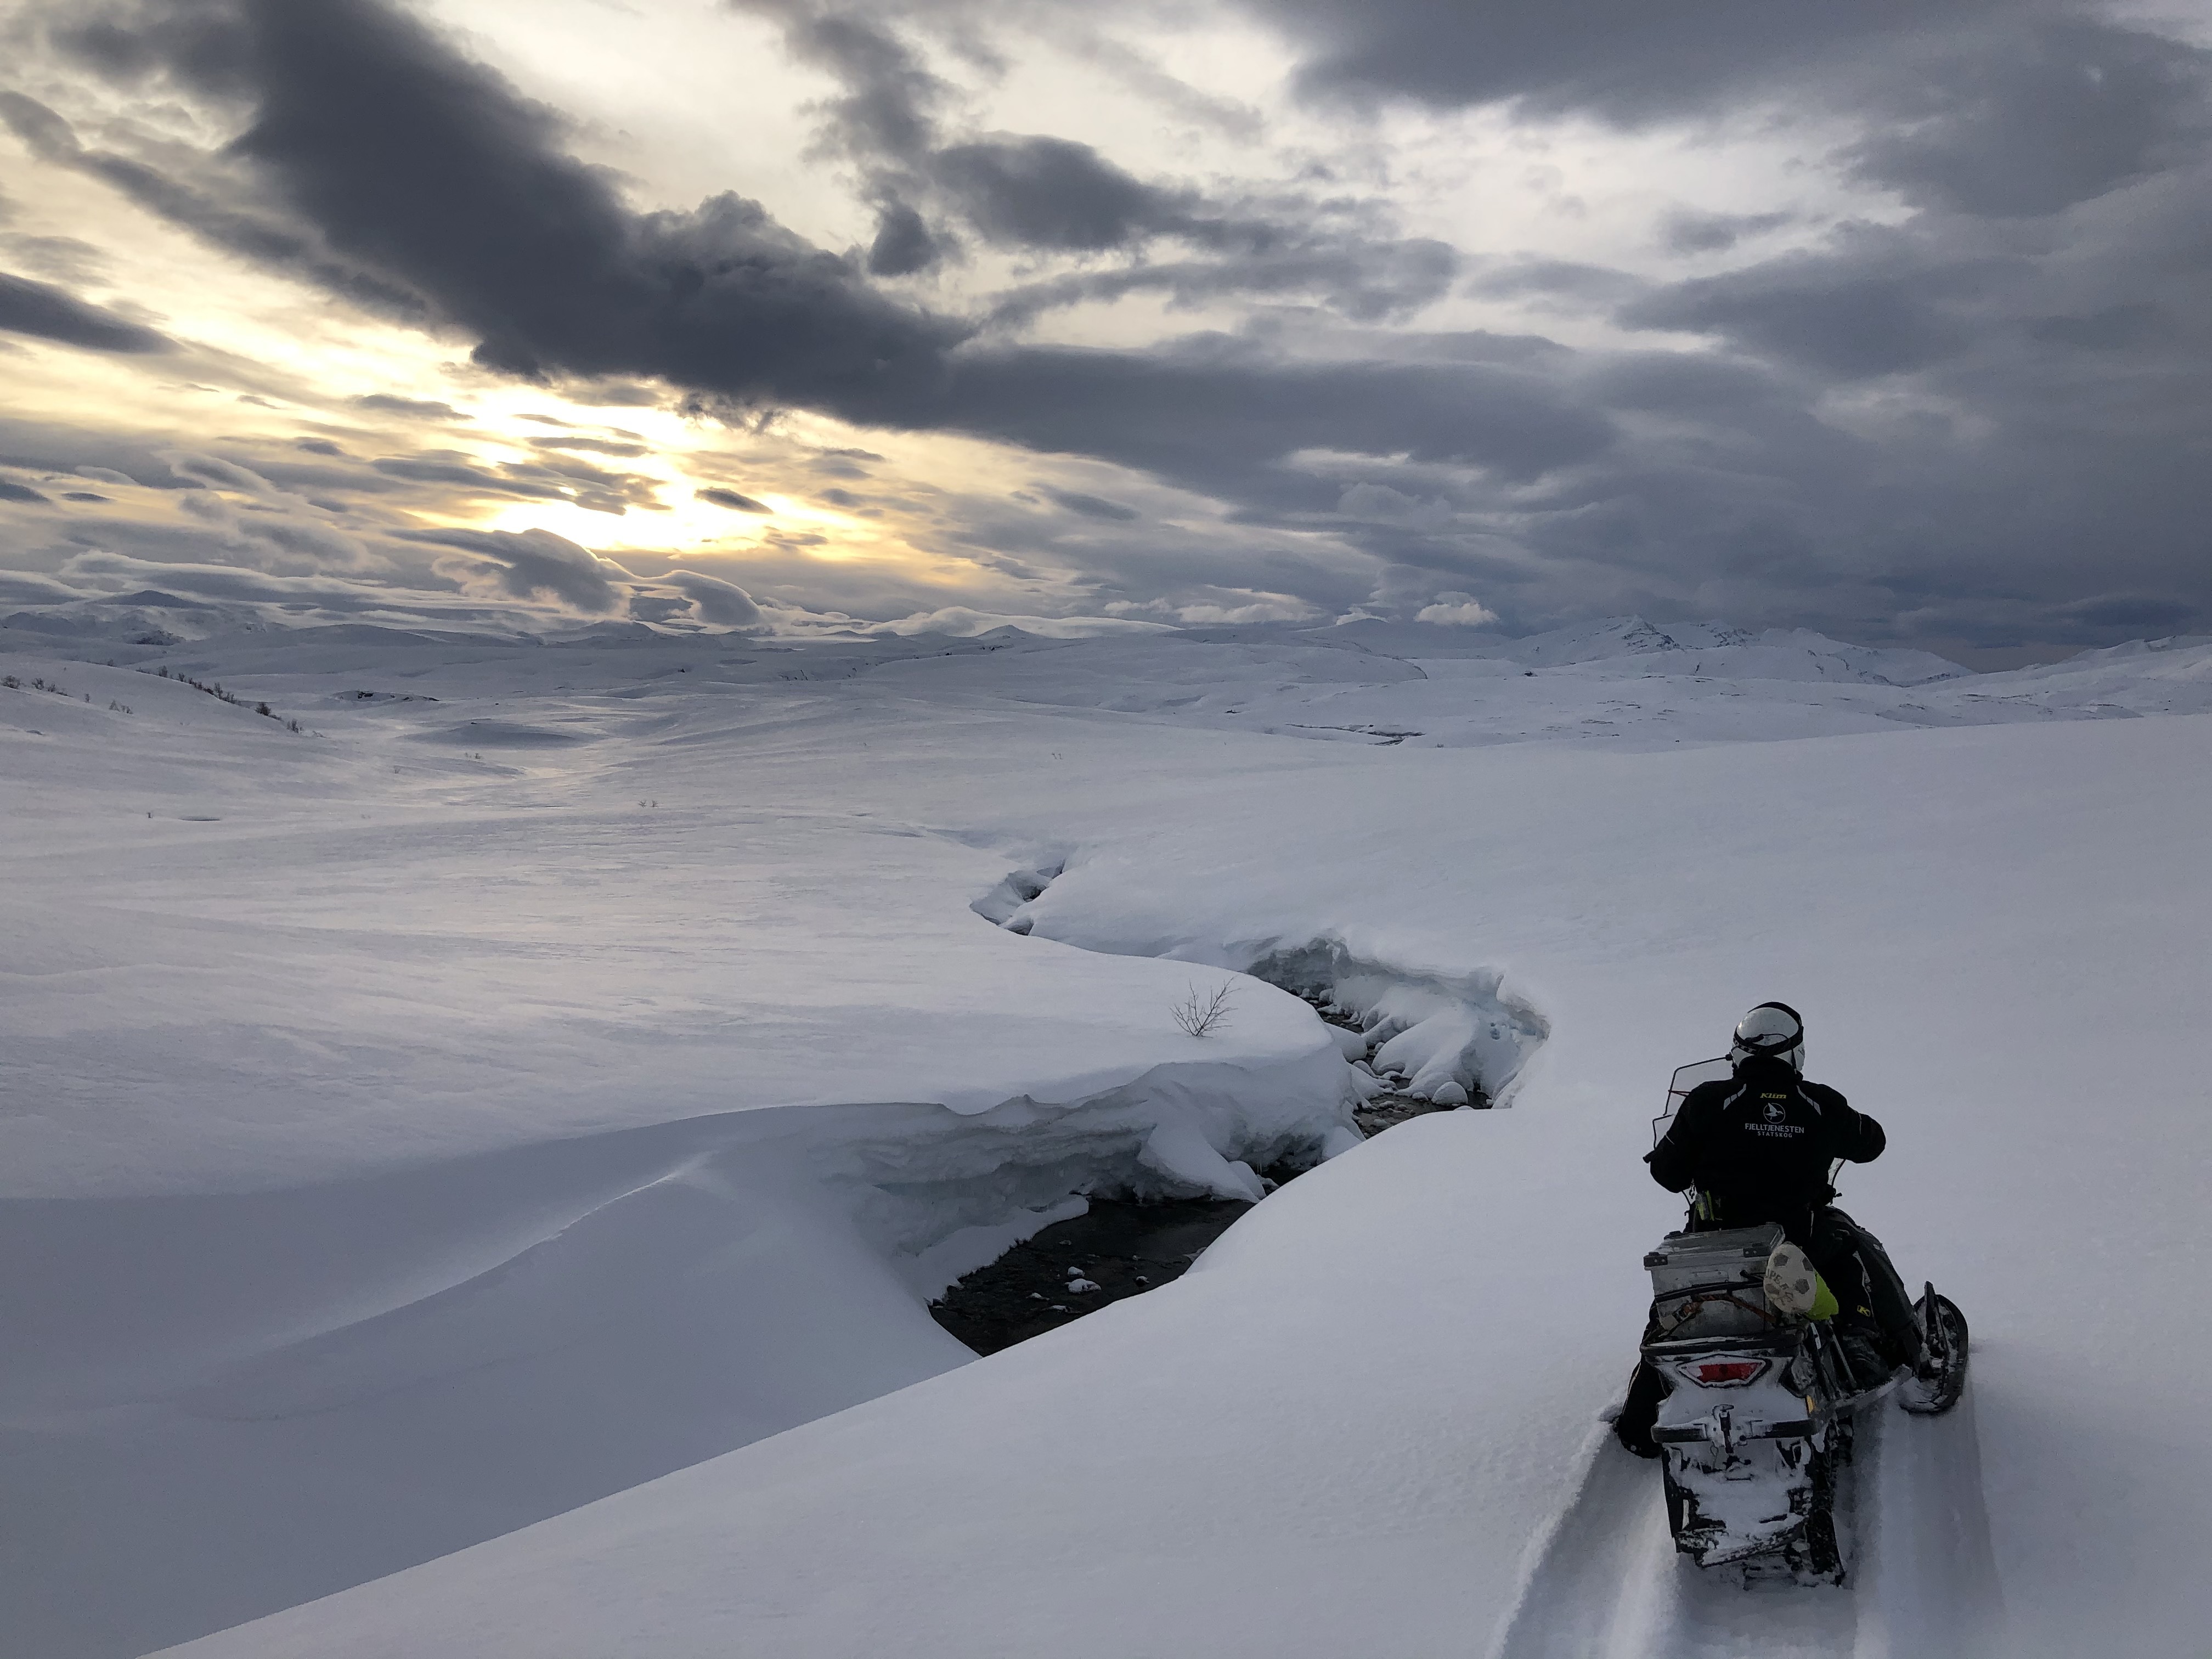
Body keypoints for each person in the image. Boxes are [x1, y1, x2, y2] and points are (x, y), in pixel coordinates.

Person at [1616, 1002, 1923, 1457]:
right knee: (1850, 1250)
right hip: (1799, 1241)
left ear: (1739, 1052)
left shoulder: (1707, 1100)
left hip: (1715, 1242)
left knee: (1674, 1306)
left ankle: (1641, 1421)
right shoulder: (1820, 1102)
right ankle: (1861, 1339)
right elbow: (1871, 1142)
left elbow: (1667, 1175)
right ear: (1794, 1053)